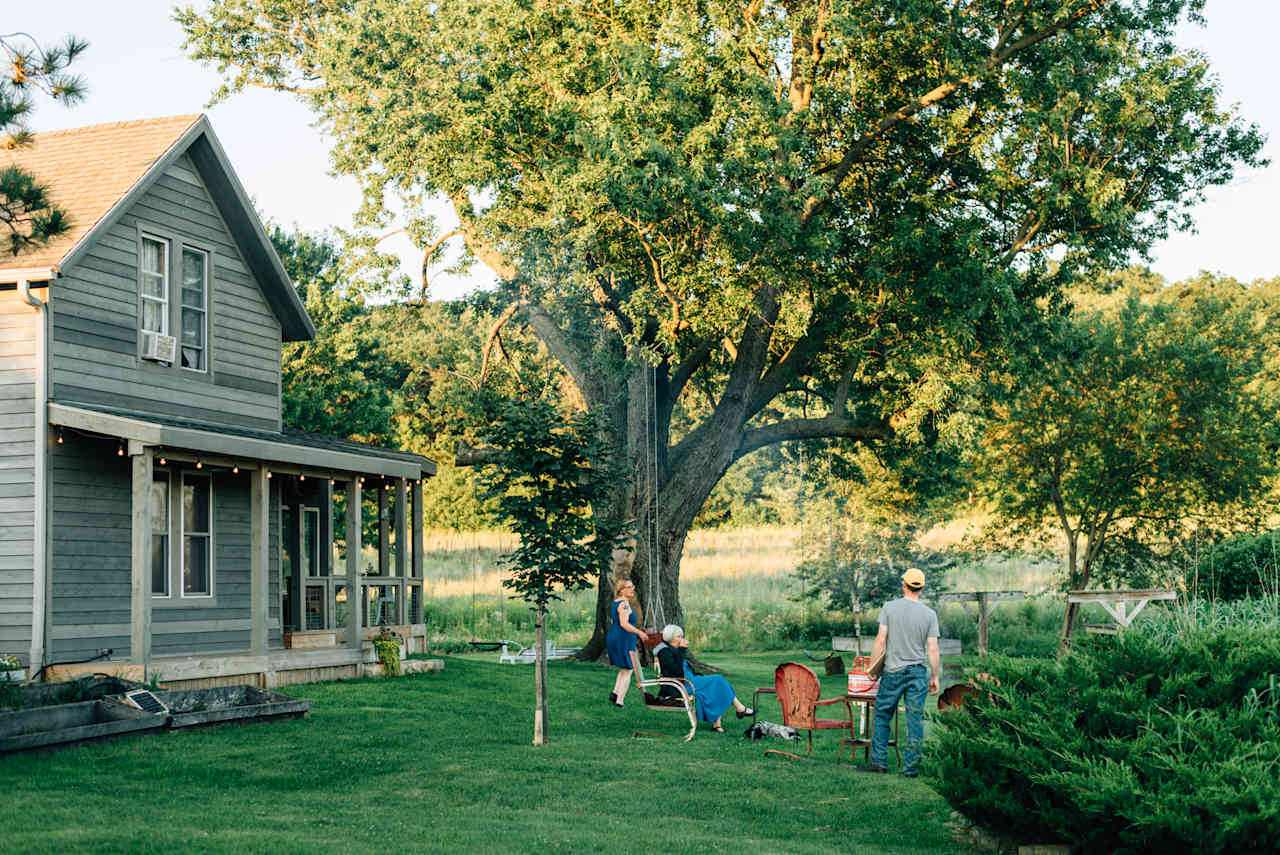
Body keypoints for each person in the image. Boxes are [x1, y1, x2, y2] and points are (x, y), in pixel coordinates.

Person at [858, 567, 940, 778]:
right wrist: (935, 676)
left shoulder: (889, 607)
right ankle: (911, 769)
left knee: (882, 715)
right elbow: (932, 649)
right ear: (921, 588)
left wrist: (873, 668)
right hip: (918, 673)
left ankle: (879, 763)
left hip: (893, 671)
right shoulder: (930, 614)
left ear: (903, 585)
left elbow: (880, 640)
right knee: (915, 720)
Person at [653, 624, 752, 733]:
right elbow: (674, 671)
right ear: (670, 638)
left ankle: (719, 723)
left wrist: (680, 650)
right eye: (678, 637)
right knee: (718, 680)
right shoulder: (664, 651)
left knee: (716, 684)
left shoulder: (674, 649)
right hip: (681, 686)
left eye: (682, 636)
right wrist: (681, 650)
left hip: (689, 680)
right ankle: (739, 709)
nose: (682, 639)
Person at [606, 578, 648, 707]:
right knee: (629, 669)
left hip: (618, 637)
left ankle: (614, 693)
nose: (632, 589)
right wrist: (639, 632)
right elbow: (624, 624)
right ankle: (620, 700)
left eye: (632, 586)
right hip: (622, 639)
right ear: (621, 590)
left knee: (624, 669)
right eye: (629, 587)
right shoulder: (624, 604)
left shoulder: (617, 602)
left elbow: (616, 623)